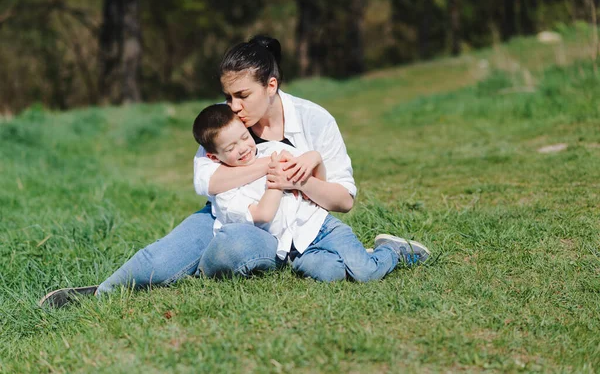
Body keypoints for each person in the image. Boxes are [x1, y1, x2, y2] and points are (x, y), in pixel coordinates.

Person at [39, 35, 431, 308]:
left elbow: (344, 200)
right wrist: (266, 165)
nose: (234, 106)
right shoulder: (224, 125)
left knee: (237, 251)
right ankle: (100, 293)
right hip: (227, 218)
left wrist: (305, 169)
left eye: (242, 95)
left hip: (289, 227)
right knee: (160, 259)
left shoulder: (314, 119)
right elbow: (207, 182)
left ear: (271, 85)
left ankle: (216, 265)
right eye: (228, 96)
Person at [192, 103, 430, 272]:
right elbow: (263, 214)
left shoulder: (272, 151)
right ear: (214, 157)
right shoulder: (226, 194)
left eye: (245, 137)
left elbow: (318, 182)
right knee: (328, 273)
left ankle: (392, 252)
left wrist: (315, 159)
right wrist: (276, 177)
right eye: (231, 147)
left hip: (319, 225)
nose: (243, 148)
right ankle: (354, 256)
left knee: (365, 273)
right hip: (296, 249)